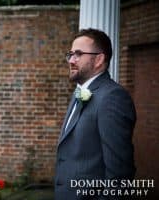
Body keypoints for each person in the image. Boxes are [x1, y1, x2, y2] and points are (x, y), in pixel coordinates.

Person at [55, 28, 136, 200]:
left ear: (99, 59)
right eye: (70, 54)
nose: (71, 60)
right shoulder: (80, 91)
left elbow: (120, 176)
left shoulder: (112, 98)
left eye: (78, 54)